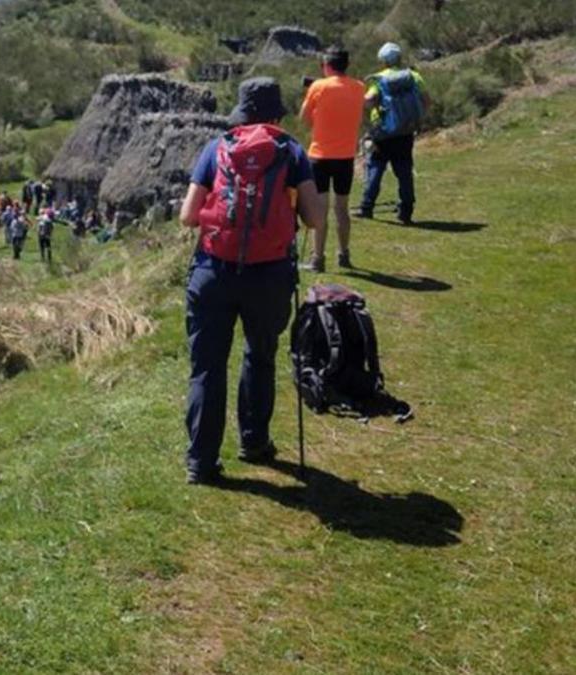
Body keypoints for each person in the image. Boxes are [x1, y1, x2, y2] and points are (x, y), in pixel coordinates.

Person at [178, 77, 326, 485]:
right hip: (270, 275)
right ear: (277, 114)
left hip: (212, 271)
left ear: (242, 113)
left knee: (207, 368)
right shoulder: (291, 152)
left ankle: (201, 464)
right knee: (259, 357)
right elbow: (315, 218)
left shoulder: (216, 148)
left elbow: (188, 215)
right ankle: (254, 441)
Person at [300, 46, 367, 271]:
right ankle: (344, 254)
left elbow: (304, 118)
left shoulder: (318, 86)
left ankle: (318, 258)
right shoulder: (359, 87)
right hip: (346, 156)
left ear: (326, 65)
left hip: (319, 155)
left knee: (320, 208)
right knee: (342, 208)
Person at [357, 42, 431, 225]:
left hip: (382, 132)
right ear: (399, 58)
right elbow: (427, 101)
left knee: (376, 167)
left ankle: (366, 207)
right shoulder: (413, 76)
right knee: (404, 171)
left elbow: (368, 101)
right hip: (406, 131)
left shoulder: (379, 79)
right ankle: (405, 212)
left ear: (383, 61)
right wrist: (415, 119)